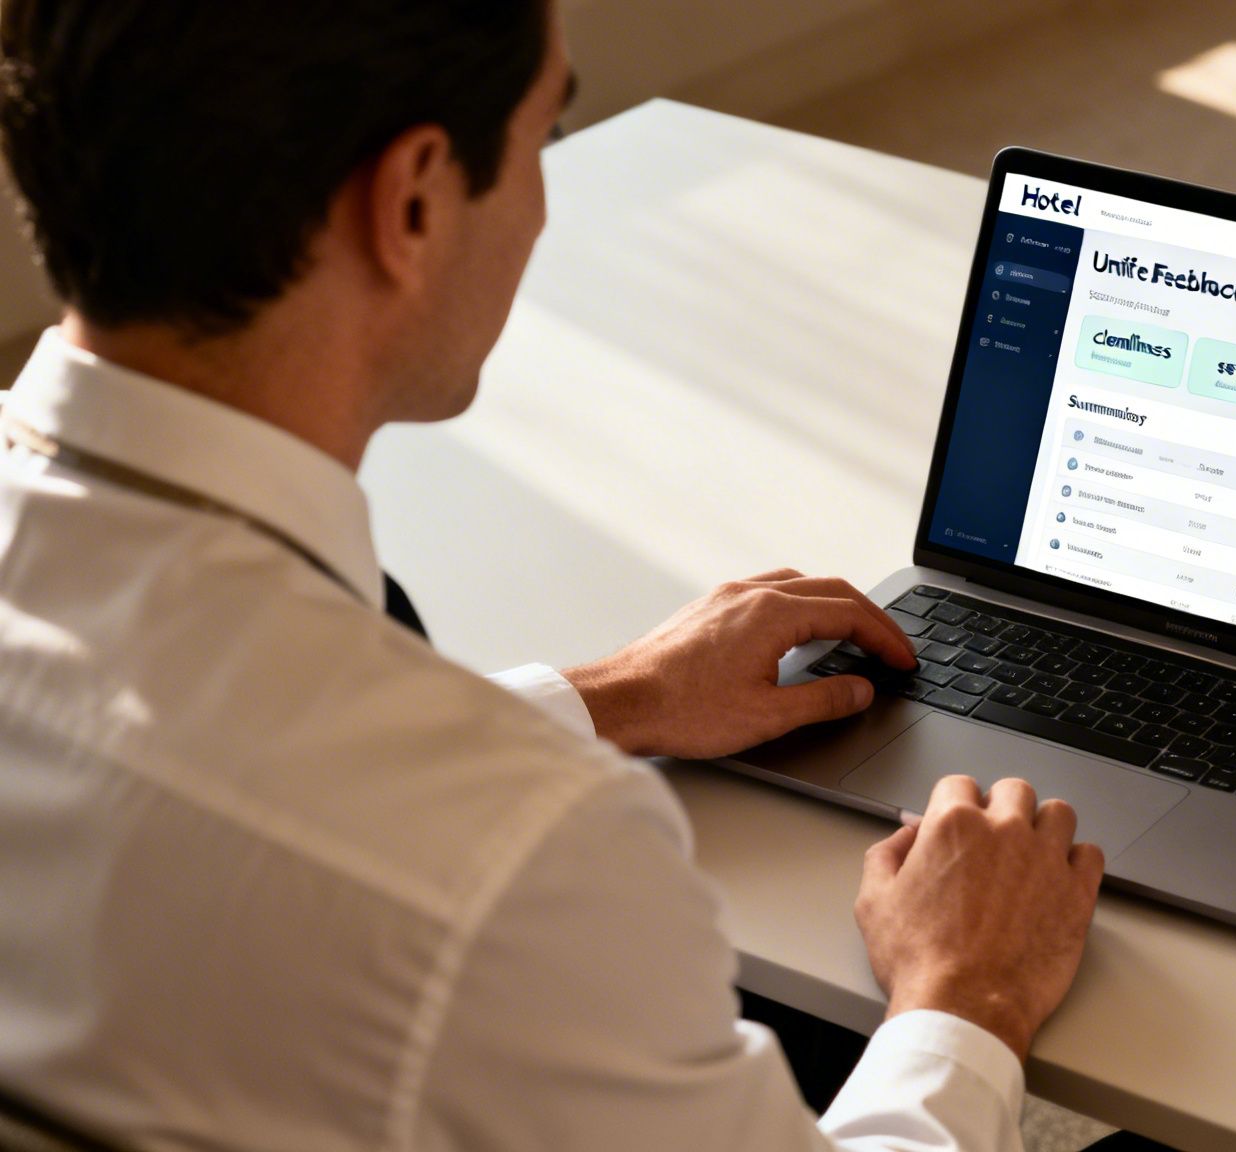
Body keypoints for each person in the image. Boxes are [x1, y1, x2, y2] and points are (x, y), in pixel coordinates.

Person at [0, 2, 1106, 1150]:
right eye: (544, 139)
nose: (541, 204)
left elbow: (246, 754)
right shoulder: (518, 875)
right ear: (415, 199)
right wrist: (964, 994)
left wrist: (609, 698)